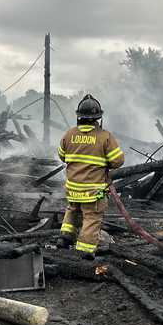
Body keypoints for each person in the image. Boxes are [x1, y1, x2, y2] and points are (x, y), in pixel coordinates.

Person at [57, 95, 125, 259]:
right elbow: (118, 161)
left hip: (72, 189)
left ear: (79, 116)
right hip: (96, 192)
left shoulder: (69, 134)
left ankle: (65, 237)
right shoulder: (105, 137)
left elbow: (62, 156)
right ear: (98, 118)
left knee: (72, 209)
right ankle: (85, 250)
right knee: (92, 217)